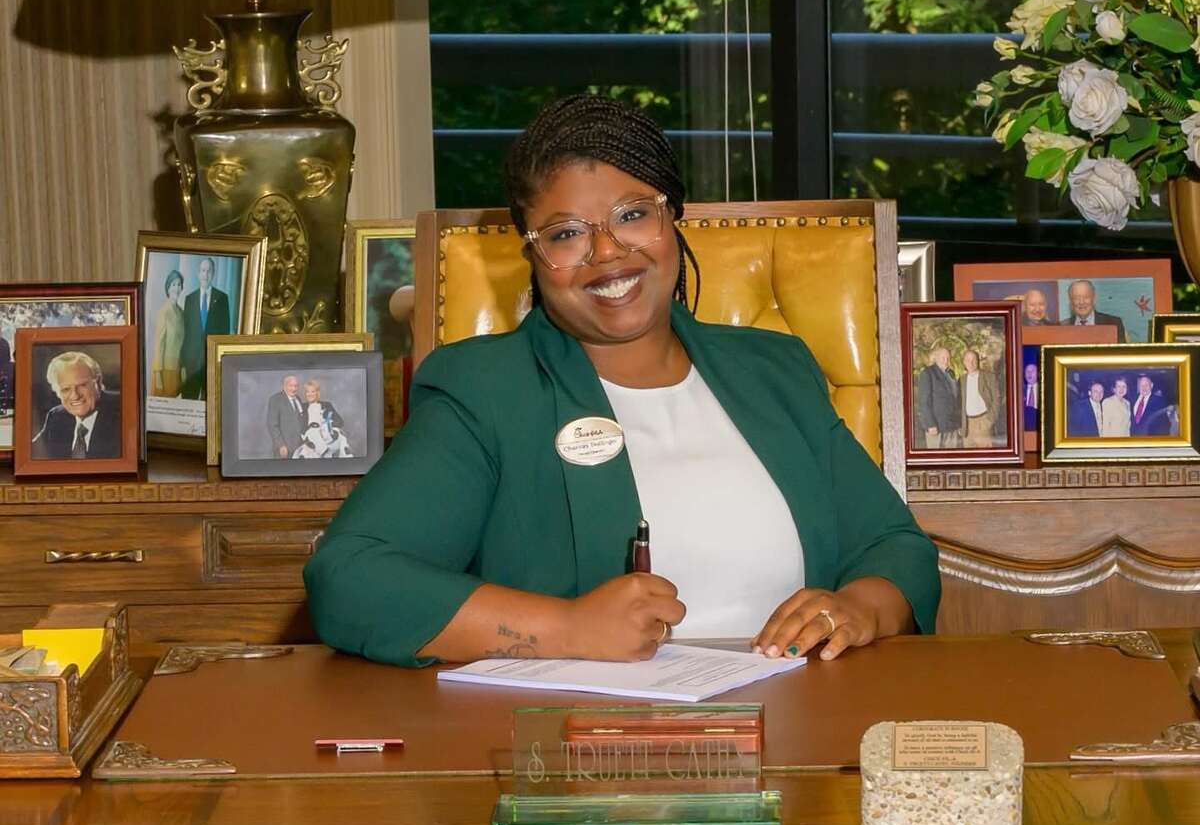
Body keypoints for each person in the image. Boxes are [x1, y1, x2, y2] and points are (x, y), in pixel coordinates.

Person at [304, 94, 940, 668]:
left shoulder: (773, 369)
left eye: (633, 215)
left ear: (673, 220)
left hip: (801, 736)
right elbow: (351, 580)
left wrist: (857, 608)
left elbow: (894, 547)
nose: (606, 252)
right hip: (589, 759)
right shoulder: (484, 391)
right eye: (566, 233)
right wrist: (568, 627)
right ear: (532, 257)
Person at [31, 351, 122, 460]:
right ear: (57, 392)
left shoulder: (123, 410)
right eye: (66, 389)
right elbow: (30, 454)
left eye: (82, 385)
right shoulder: (56, 417)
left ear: (97, 382)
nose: (75, 396)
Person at [180, 257, 231, 399]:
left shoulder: (222, 298)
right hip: (192, 363)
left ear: (213, 274)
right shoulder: (189, 299)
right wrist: (183, 363)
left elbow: (225, 333)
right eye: (203, 270)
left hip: (212, 362)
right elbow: (186, 332)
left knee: (210, 404)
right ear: (198, 273)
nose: (205, 274)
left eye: (209, 271)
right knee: (188, 403)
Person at [916, 345, 961, 448]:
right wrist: (930, 424)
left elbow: (954, 398)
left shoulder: (951, 373)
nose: (946, 360)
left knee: (951, 459)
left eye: (948, 358)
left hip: (951, 426)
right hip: (936, 427)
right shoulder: (927, 373)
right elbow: (924, 402)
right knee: (935, 459)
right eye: (943, 358)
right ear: (936, 358)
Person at [150, 269, 185, 398]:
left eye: (179, 284)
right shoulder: (164, 312)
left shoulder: (181, 313)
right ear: (168, 288)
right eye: (173, 284)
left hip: (176, 370)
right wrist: (158, 376)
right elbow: (159, 344)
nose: (176, 288)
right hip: (164, 372)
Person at [296, 379, 351, 458]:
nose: (310, 394)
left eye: (313, 391)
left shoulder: (327, 405)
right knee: (312, 432)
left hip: (325, 432)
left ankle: (346, 454)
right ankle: (325, 452)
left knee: (340, 435)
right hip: (311, 434)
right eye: (307, 392)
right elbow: (300, 425)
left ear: (317, 393)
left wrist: (327, 424)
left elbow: (340, 421)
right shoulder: (302, 407)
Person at [959, 348, 1000, 447]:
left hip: (983, 422)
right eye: (968, 360)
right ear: (964, 363)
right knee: (968, 459)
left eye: (974, 360)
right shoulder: (961, 380)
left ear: (978, 361)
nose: (971, 363)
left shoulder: (989, 377)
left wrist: (990, 420)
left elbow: (997, 399)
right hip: (967, 425)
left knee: (986, 458)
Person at [266, 374, 306, 459]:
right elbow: (272, 425)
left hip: (299, 447)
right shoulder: (275, 399)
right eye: (291, 386)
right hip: (285, 449)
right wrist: (281, 445)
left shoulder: (298, 398)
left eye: (296, 386)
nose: (294, 389)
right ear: (284, 386)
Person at [1022, 360, 1039, 432]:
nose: (1029, 373)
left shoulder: (1044, 390)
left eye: (1032, 371)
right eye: (1027, 371)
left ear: (1038, 373)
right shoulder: (1020, 390)